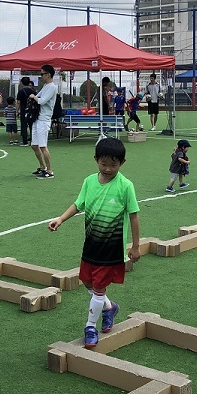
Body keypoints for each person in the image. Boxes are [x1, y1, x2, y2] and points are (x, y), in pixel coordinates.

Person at [48, 137, 140, 350]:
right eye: (103, 163)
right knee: (88, 283)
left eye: (113, 165)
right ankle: (109, 307)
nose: (108, 169)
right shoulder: (89, 181)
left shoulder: (126, 186)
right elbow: (78, 204)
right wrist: (61, 219)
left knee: (98, 288)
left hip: (111, 249)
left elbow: (134, 216)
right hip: (91, 245)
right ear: (96, 160)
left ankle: (90, 327)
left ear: (122, 163)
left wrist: (135, 246)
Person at [29, 64, 58, 178]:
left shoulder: (52, 87)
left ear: (48, 74)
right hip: (38, 118)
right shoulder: (46, 86)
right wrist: (34, 96)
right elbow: (38, 96)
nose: (41, 76)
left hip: (44, 119)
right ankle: (42, 167)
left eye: (42, 74)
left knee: (43, 146)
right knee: (34, 145)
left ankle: (49, 170)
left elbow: (42, 100)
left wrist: (34, 97)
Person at [17, 77, 35, 146]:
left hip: (24, 110)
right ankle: (33, 141)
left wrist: (17, 111)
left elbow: (18, 102)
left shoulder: (21, 91)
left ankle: (25, 142)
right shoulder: (33, 91)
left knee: (24, 126)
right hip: (32, 110)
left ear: (22, 83)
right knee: (32, 126)